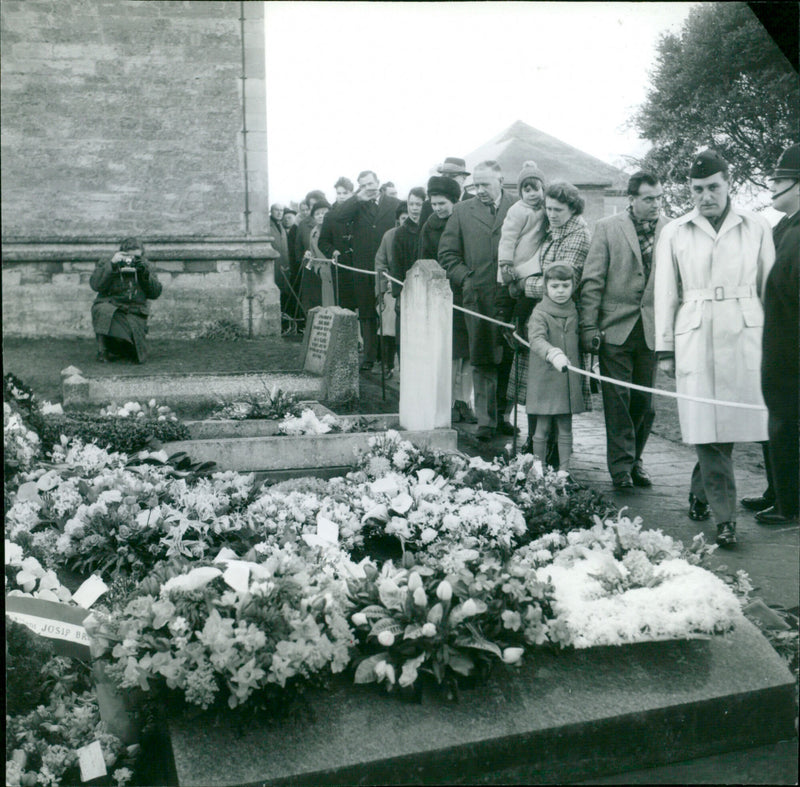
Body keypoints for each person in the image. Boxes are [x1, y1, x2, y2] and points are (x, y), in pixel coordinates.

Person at [654, 149, 775, 547]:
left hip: (745, 332)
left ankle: (699, 489)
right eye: (697, 189)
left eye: (713, 187)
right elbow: (665, 294)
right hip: (696, 332)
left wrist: (775, 340)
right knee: (706, 426)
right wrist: (666, 349)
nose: (705, 196)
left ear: (729, 184)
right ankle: (726, 519)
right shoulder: (675, 231)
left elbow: (769, 287)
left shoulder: (755, 226)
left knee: (728, 425)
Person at [579, 171, 668, 489]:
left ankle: (635, 461)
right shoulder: (607, 228)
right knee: (618, 400)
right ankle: (620, 468)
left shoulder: (672, 230)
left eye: (659, 197)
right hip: (615, 330)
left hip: (653, 331)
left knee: (645, 404)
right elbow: (592, 280)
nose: (655, 204)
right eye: (648, 198)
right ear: (631, 199)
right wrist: (589, 325)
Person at [439, 160, 515, 441]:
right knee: (482, 358)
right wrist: (466, 278)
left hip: (511, 296)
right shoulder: (461, 211)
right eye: (476, 185)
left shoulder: (519, 208)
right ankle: (486, 420)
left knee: (508, 356)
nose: (480, 190)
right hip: (478, 296)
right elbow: (447, 254)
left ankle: (503, 416)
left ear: (501, 181)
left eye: (485, 184)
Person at [753, 143, 799, 525]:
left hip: (792, 347)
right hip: (777, 344)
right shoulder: (784, 227)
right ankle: (779, 493)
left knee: (788, 423)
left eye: (781, 179)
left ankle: (791, 504)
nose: (773, 186)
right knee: (777, 422)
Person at [496, 161, 549, 443]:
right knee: (516, 299)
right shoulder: (517, 211)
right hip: (516, 263)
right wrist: (505, 263)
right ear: (520, 192)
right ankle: (512, 324)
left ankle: (518, 322)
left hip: (535, 265)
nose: (531, 194)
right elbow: (507, 238)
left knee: (529, 298)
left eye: (536, 188)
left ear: (543, 188)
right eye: (526, 189)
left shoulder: (545, 208)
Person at [420, 175, 476, 424]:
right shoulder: (429, 227)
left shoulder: (465, 220)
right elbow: (424, 261)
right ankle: (448, 402)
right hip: (444, 296)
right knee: (450, 353)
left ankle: (465, 400)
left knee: (469, 354)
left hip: (467, 293)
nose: (438, 208)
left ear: (454, 201)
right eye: (434, 204)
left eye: (442, 203)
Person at [334, 170, 400, 372]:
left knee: (386, 310)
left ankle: (387, 359)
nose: (368, 188)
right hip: (362, 265)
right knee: (366, 311)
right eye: (363, 185)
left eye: (370, 183)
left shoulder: (394, 203)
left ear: (378, 183)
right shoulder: (355, 204)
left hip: (386, 265)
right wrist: (357, 198)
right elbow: (338, 217)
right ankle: (370, 357)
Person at [526, 262, 585, 471]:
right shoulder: (540, 312)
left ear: (573, 286)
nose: (560, 291)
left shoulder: (574, 311)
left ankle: (564, 471)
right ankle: (537, 469)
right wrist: (552, 353)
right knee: (542, 425)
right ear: (546, 287)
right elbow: (536, 339)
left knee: (565, 426)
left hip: (567, 379)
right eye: (555, 286)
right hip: (546, 376)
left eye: (565, 286)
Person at [90, 237, 162, 363]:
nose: (132, 261)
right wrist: (112, 265)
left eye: (136, 258)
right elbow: (96, 285)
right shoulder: (108, 263)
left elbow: (155, 293)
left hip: (134, 311)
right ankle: (104, 351)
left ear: (142, 255)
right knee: (102, 309)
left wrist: (144, 274)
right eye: (128, 257)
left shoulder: (146, 266)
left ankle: (122, 348)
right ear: (121, 254)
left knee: (135, 351)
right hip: (112, 306)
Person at [389, 187, 426, 354]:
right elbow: (395, 264)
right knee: (405, 335)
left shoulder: (429, 228)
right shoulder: (401, 233)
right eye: (411, 204)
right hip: (407, 289)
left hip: (427, 289)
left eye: (418, 204)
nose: (414, 208)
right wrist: (398, 293)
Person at [374, 202, 408, 379]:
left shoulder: (419, 235)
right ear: (397, 220)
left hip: (411, 291)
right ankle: (388, 366)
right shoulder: (390, 236)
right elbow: (380, 263)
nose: (407, 221)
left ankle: (406, 369)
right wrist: (381, 291)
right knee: (388, 330)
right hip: (390, 291)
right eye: (403, 218)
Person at [318, 177, 357, 310]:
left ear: (352, 193)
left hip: (360, 264)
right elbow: (322, 242)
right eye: (339, 193)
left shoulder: (359, 212)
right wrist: (333, 251)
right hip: (341, 267)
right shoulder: (330, 216)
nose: (341, 197)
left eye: (345, 193)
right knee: (345, 304)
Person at [300, 200, 333, 312]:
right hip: (321, 272)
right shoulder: (314, 231)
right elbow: (313, 250)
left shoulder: (333, 228)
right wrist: (309, 254)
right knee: (324, 302)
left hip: (333, 270)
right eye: (317, 214)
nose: (320, 216)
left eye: (324, 213)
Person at [269, 203, 293, 319]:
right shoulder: (268, 225)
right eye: (276, 210)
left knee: (284, 292)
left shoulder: (282, 226)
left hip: (284, 266)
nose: (279, 213)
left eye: (281, 211)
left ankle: (284, 319)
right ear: (271, 211)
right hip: (274, 266)